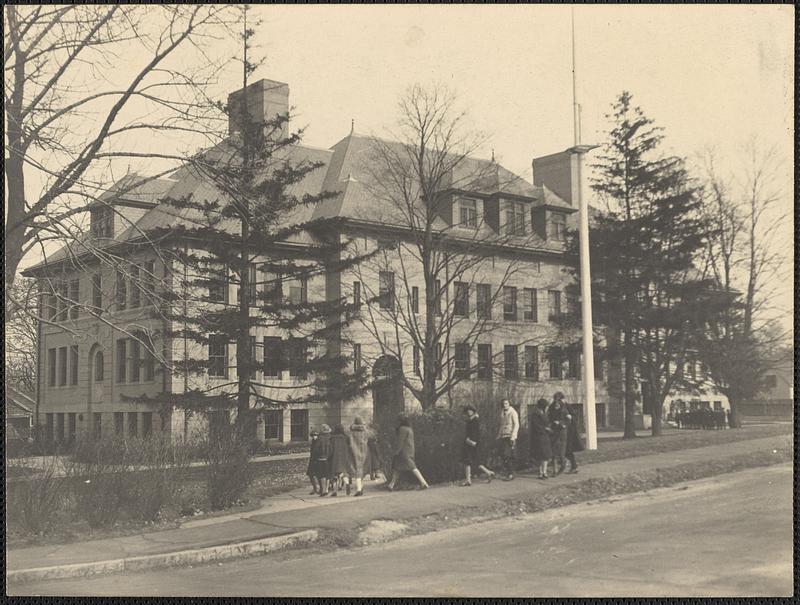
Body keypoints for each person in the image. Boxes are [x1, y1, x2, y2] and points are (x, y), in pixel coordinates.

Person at [386, 413, 429, 491]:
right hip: (409, 450)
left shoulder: (402, 429)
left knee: (412, 467)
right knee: (397, 468)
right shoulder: (409, 428)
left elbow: (400, 442)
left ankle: (424, 483)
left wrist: (396, 451)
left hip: (403, 452)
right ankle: (391, 485)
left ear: (400, 421)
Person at [460, 406, 496, 486]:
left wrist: (471, 441)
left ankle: (468, 480)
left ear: (473, 411)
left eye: (470, 411)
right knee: (475, 461)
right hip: (471, 443)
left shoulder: (474, 421)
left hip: (471, 443)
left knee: (467, 461)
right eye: (467, 411)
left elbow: (476, 433)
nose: (469, 412)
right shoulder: (471, 420)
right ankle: (488, 472)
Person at [496, 398, 519, 480]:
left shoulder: (513, 412)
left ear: (509, 404)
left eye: (506, 403)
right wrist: (498, 435)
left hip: (510, 436)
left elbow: (516, 425)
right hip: (503, 436)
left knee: (508, 455)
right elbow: (501, 425)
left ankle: (511, 473)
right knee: (503, 455)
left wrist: (513, 437)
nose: (504, 405)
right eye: (503, 403)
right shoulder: (502, 413)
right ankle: (508, 471)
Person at [529, 399, 553, 479]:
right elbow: (536, 426)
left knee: (545, 456)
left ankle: (544, 472)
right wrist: (545, 429)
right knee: (541, 456)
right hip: (538, 437)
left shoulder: (544, 413)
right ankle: (541, 472)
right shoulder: (536, 414)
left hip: (545, 437)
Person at [348, 416, 370, 496]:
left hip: (354, 451)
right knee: (362, 469)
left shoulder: (352, 432)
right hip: (364, 451)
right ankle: (361, 486)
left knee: (356, 469)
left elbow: (350, 442)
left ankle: (359, 489)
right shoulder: (365, 431)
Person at [548, 392, 569, 475]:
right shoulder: (551, 408)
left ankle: (563, 464)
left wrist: (560, 423)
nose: (556, 402)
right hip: (553, 431)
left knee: (561, 451)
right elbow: (548, 418)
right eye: (555, 400)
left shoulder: (564, 409)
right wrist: (550, 425)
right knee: (553, 451)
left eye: (558, 400)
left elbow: (568, 420)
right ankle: (554, 470)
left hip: (562, 432)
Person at [328, 424, 351, 496]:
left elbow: (330, 449)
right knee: (343, 472)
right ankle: (347, 483)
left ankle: (334, 491)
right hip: (345, 457)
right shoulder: (346, 438)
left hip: (335, 458)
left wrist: (329, 456)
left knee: (334, 474)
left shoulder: (332, 438)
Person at [311, 424, 332, 496]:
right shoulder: (330, 438)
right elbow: (331, 449)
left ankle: (323, 490)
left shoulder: (319, 438)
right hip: (327, 459)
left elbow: (315, 449)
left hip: (320, 458)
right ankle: (327, 489)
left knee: (322, 475)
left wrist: (316, 456)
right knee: (327, 475)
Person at [564, 408, 584, 473]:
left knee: (568, 452)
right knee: (568, 452)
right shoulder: (573, 420)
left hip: (569, 437)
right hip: (570, 437)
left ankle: (573, 466)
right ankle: (573, 466)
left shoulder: (571, 421)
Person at [307, 429, 322, 495]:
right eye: (313, 436)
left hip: (317, 460)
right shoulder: (313, 442)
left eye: (315, 435)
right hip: (312, 460)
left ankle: (321, 488)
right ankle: (315, 487)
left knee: (319, 475)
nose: (314, 437)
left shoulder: (319, 442)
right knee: (310, 474)